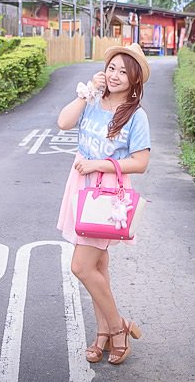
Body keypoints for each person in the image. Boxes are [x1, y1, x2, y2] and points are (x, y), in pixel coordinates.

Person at [56, 43, 151, 366]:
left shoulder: (136, 115)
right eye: (112, 68)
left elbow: (140, 163)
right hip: (81, 185)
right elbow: (63, 123)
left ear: (135, 79)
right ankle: (103, 336)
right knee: (98, 267)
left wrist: (100, 166)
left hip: (106, 192)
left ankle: (117, 327)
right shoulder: (93, 101)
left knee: (81, 266)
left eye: (124, 72)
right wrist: (86, 94)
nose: (115, 75)